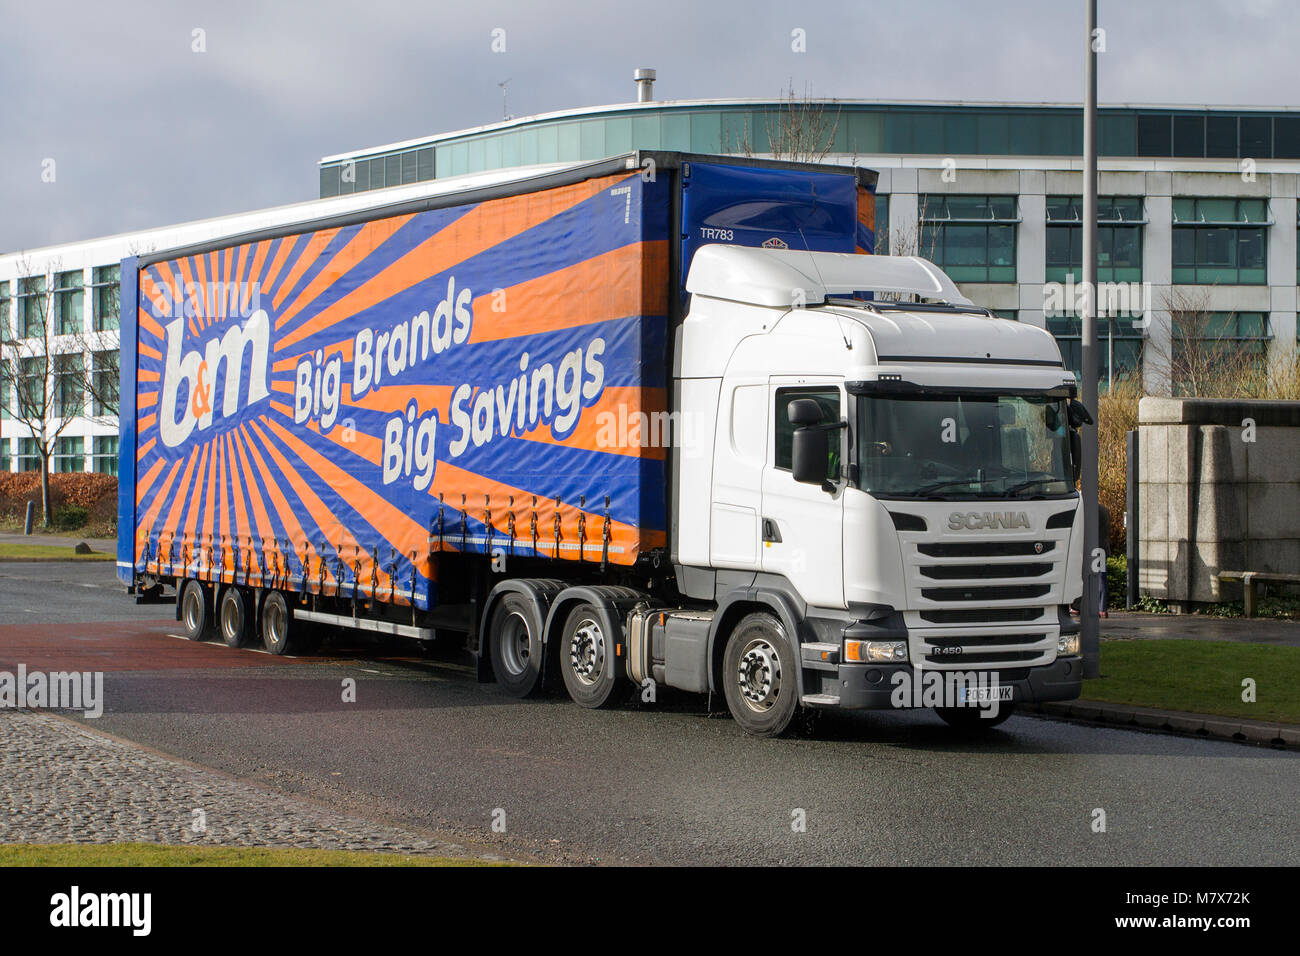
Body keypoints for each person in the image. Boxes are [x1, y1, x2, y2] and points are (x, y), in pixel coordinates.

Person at [1097, 503, 1111, 618]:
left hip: (1092, 549)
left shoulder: (1090, 511)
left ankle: (1078, 606)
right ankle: (1102, 608)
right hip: (1102, 548)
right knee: (1101, 577)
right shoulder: (1104, 509)